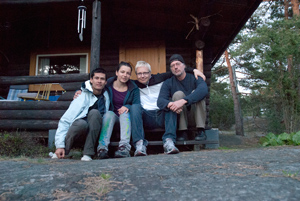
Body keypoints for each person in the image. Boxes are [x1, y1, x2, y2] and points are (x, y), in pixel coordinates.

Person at [131, 61, 206, 156]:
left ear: (150, 73)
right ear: (136, 75)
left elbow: (177, 70)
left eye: (145, 73)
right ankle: (139, 145)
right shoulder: (133, 84)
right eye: (139, 73)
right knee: (134, 107)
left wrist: (194, 70)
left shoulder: (160, 78)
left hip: (162, 113)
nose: (142, 76)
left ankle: (169, 142)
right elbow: (118, 79)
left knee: (171, 104)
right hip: (146, 116)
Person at [52, 68, 110, 161]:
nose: (99, 81)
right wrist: (59, 145)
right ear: (91, 80)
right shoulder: (82, 96)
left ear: (106, 82)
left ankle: (88, 154)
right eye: (96, 78)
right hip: (80, 130)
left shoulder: (107, 96)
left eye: (102, 79)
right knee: (81, 123)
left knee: (95, 113)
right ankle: (62, 151)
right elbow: (66, 119)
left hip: (96, 132)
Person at [157, 54, 208, 146]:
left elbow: (203, 90)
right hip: (179, 116)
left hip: (194, 116)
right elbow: (160, 101)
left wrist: (184, 100)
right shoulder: (168, 82)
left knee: (197, 94)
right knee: (178, 94)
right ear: (171, 69)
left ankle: (200, 130)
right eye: (172, 65)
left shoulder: (194, 77)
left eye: (178, 64)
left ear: (184, 66)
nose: (175, 67)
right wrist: (171, 104)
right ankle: (182, 131)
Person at [96, 61, 140, 159]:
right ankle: (102, 148)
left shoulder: (133, 88)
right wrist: (81, 89)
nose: (125, 75)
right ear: (117, 72)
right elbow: (92, 84)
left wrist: (127, 106)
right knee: (109, 114)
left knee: (124, 113)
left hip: (126, 119)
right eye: (122, 72)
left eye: (128, 73)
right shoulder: (108, 84)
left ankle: (124, 148)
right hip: (112, 118)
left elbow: (137, 104)